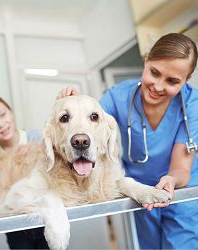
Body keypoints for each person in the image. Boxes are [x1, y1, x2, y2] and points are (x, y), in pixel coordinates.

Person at [58, 33, 198, 249]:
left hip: (179, 189)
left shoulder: (192, 104)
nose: (158, 86)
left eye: (172, 81)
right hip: (140, 190)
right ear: (146, 60)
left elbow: (181, 168)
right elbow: (92, 125)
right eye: (154, 72)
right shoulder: (117, 97)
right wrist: (75, 105)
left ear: (186, 80)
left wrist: (170, 180)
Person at [0, 95, 49, 249]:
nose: (0, 124)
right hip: (14, 224)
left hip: (45, 216)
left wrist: (40, 149)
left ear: (11, 111)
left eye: (2, 115)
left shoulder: (36, 137)